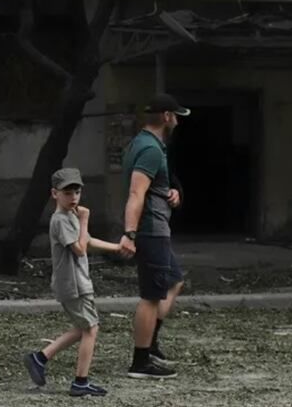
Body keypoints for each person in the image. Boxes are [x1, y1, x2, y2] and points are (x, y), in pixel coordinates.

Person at [23, 168, 122, 397]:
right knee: (91, 328)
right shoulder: (61, 220)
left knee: (82, 327)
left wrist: (116, 247)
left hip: (76, 283)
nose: (74, 197)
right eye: (67, 192)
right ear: (54, 194)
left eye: (77, 191)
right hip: (74, 285)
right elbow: (79, 248)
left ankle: (39, 358)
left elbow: (86, 241)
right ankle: (80, 381)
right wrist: (85, 219)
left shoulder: (69, 216)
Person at [118, 93, 190, 379]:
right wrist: (130, 233)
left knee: (174, 281)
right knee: (151, 296)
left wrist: (174, 192)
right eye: (176, 116)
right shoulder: (149, 149)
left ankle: (150, 344)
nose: (177, 121)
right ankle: (140, 362)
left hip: (156, 228)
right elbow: (136, 193)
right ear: (166, 117)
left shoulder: (145, 144)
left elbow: (153, 186)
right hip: (151, 230)